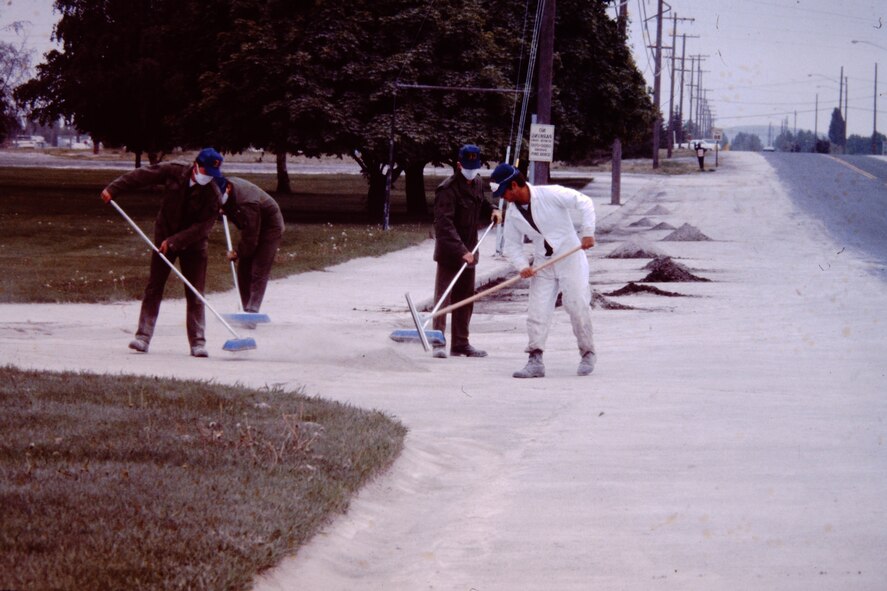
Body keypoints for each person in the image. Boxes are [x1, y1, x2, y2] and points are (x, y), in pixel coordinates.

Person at [101, 148, 224, 358]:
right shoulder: (174, 171)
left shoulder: (213, 193)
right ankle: (143, 337)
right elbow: (141, 175)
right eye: (206, 172)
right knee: (154, 286)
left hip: (193, 245)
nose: (208, 178)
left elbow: (202, 227)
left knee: (195, 292)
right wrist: (114, 189)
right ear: (196, 165)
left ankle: (198, 342)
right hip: (164, 234)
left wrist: (175, 242)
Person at [489, 163, 596, 378]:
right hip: (543, 263)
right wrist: (522, 266)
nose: (504, 198)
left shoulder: (550, 194)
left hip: (570, 257)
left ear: (514, 185)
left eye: (504, 193)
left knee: (576, 304)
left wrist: (587, 232)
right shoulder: (513, 214)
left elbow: (585, 202)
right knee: (537, 311)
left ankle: (587, 351)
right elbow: (511, 245)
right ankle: (535, 359)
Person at [431, 144, 502, 359]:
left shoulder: (478, 183)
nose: (471, 171)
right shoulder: (447, 189)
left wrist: (493, 211)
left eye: (475, 166)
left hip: (471, 250)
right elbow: (444, 226)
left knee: (465, 298)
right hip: (450, 252)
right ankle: (437, 341)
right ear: (458, 165)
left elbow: (482, 205)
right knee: (444, 296)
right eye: (468, 166)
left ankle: (461, 343)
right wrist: (461, 251)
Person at [217, 176, 285, 319]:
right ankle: (245, 308)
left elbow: (251, 238)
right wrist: (225, 208)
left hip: (270, 227)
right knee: (243, 269)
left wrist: (237, 253)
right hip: (253, 224)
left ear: (228, 188)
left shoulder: (247, 202)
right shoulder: (225, 188)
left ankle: (252, 311)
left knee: (259, 268)